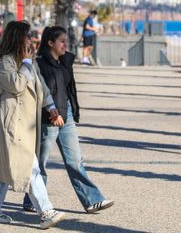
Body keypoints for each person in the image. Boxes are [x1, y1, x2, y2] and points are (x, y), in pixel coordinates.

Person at [0, 21, 66, 229]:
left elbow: (41, 85)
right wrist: (27, 63)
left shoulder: (27, 61)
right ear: (17, 38)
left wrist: (51, 105)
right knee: (29, 165)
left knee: (7, 166)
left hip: (26, 121)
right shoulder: (5, 62)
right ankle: (46, 212)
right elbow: (16, 85)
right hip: (12, 120)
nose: (30, 39)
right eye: (27, 36)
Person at [22, 26, 114, 215]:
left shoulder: (64, 62)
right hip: (49, 116)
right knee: (41, 162)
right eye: (62, 41)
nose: (66, 44)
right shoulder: (40, 64)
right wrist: (52, 113)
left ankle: (92, 200)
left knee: (75, 160)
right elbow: (40, 94)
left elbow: (68, 90)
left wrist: (70, 110)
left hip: (67, 114)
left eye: (66, 40)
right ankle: (33, 200)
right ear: (50, 43)